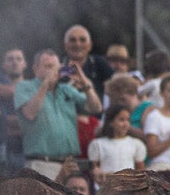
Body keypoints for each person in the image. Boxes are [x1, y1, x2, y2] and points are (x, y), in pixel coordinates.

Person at [14, 49, 103, 178]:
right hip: (42, 163)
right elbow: (30, 113)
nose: (53, 71)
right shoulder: (25, 87)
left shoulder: (66, 89)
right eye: (48, 66)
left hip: (70, 164)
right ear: (35, 68)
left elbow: (96, 108)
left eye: (56, 67)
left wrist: (84, 82)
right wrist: (46, 84)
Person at [87, 103, 147, 188]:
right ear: (111, 122)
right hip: (105, 188)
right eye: (121, 120)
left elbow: (140, 171)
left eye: (128, 120)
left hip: (128, 190)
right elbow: (94, 168)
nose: (125, 124)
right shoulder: (98, 144)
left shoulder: (136, 144)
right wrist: (99, 174)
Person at [62, 25, 115, 100]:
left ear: (90, 45)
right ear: (65, 45)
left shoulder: (99, 63)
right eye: (72, 40)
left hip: (95, 110)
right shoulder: (59, 66)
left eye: (82, 40)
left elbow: (117, 83)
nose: (78, 44)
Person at [0, 47, 28, 168]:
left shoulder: (34, 90)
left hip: (27, 150)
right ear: (3, 65)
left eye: (18, 59)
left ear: (25, 64)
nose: (14, 62)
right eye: (10, 59)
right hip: (1, 150)